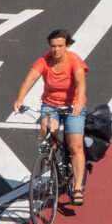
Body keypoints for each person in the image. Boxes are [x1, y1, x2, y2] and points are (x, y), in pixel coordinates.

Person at [13, 29, 89, 205]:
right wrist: (19, 99)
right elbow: (29, 80)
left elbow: (80, 82)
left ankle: (77, 187)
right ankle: (53, 164)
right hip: (51, 105)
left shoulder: (74, 60)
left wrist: (78, 102)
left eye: (60, 46)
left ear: (67, 45)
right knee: (48, 135)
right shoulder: (44, 60)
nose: (56, 49)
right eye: (53, 46)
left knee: (75, 146)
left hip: (72, 106)